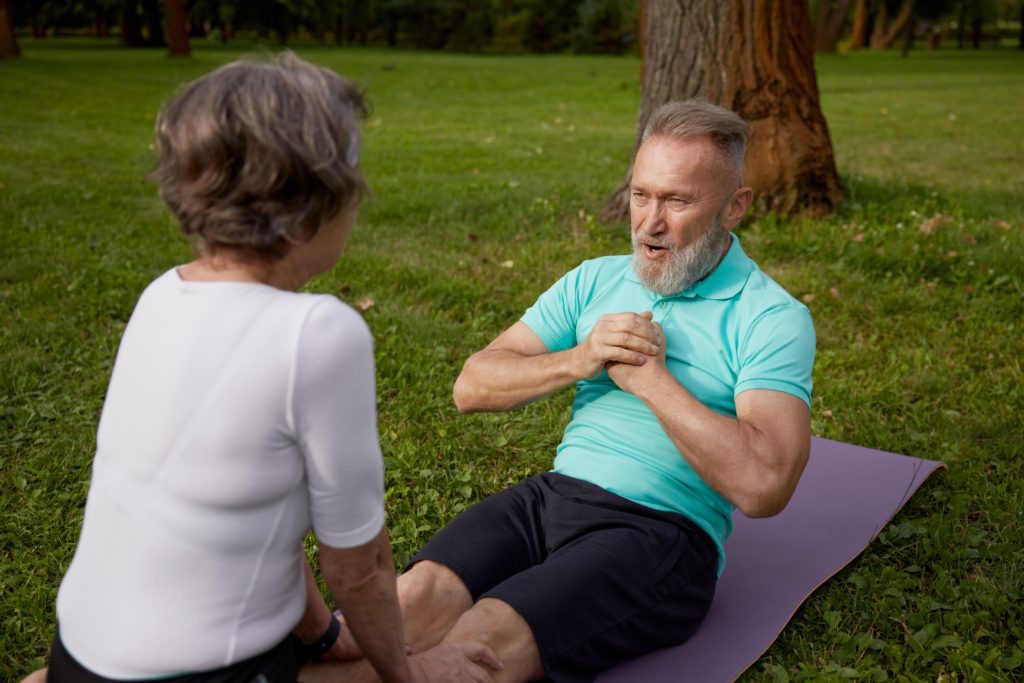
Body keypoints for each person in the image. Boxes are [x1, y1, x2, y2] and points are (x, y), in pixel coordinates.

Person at [22, 53, 501, 683]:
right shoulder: (319, 334)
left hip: (77, 658)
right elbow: (359, 566)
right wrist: (410, 675)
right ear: (310, 200)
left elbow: (249, 501)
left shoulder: (162, 294)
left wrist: (323, 633)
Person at [305, 98, 816, 683]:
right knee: (411, 600)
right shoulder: (595, 279)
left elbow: (765, 485)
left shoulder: (770, 317)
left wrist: (653, 383)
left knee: (482, 641)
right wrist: (581, 358)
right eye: (641, 194)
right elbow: (472, 385)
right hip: (550, 497)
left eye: (677, 201)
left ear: (735, 207)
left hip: (661, 532)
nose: (649, 222)